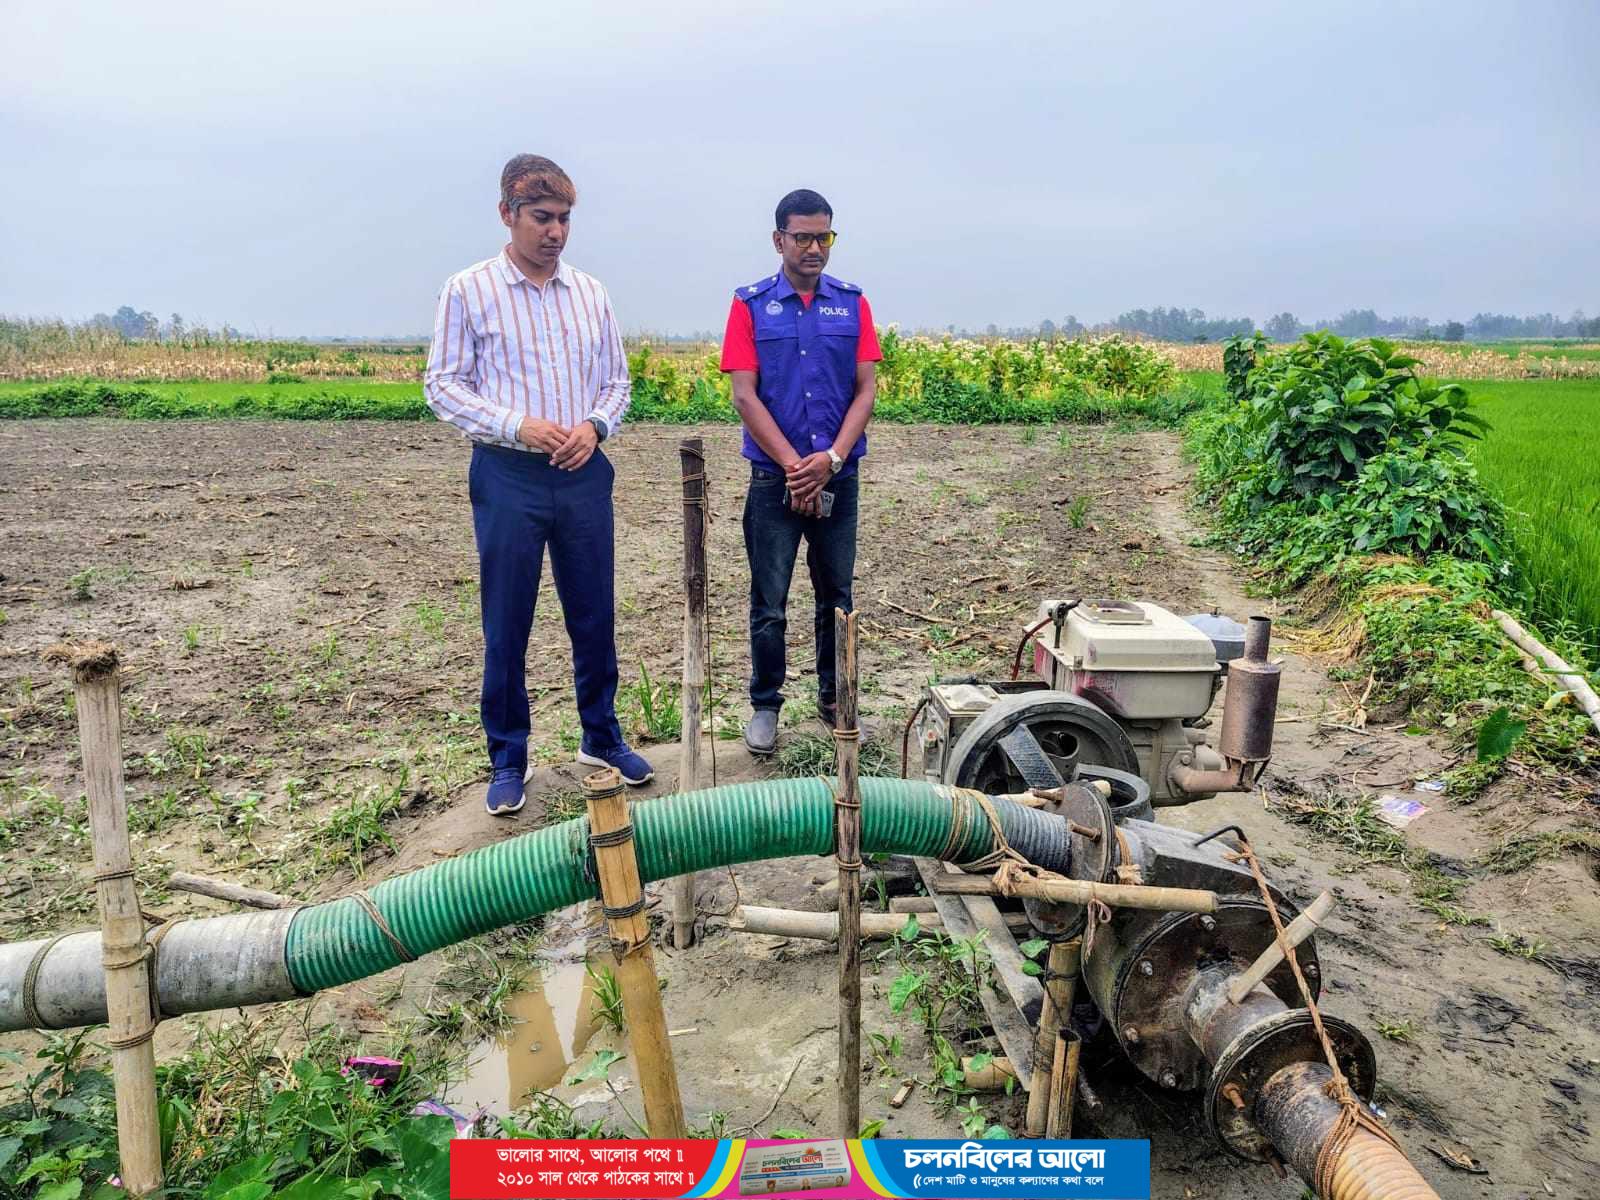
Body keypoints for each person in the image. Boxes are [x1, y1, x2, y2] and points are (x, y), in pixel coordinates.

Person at [424, 154, 653, 816]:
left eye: (564, 220)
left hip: (582, 473)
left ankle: (601, 737)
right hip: (508, 475)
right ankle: (508, 756)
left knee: (593, 612)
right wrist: (517, 425)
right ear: (508, 214)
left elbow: (617, 382)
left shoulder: (590, 294)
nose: (555, 232)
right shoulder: (468, 291)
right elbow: (443, 385)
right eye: (542, 218)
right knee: (508, 619)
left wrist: (595, 425)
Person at [720, 188, 882, 755]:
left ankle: (836, 700)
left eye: (824, 237)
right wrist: (795, 467)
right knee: (769, 599)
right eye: (803, 238)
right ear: (779, 240)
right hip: (775, 482)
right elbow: (744, 395)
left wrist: (831, 460)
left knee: (837, 595)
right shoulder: (750, 305)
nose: (815, 249)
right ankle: (766, 705)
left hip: (838, 475)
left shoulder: (852, 304)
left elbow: (866, 390)